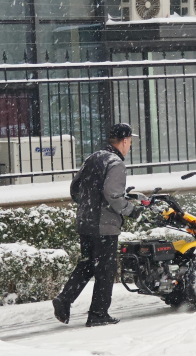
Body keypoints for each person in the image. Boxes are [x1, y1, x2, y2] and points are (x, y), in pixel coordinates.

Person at [52, 123, 144, 327]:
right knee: (105, 269)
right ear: (125, 140)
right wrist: (131, 210)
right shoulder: (116, 163)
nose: (129, 146)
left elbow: (75, 188)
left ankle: (64, 300)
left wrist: (88, 205)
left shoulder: (93, 158)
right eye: (130, 142)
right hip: (104, 225)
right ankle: (98, 313)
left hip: (85, 222)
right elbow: (112, 194)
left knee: (86, 264)